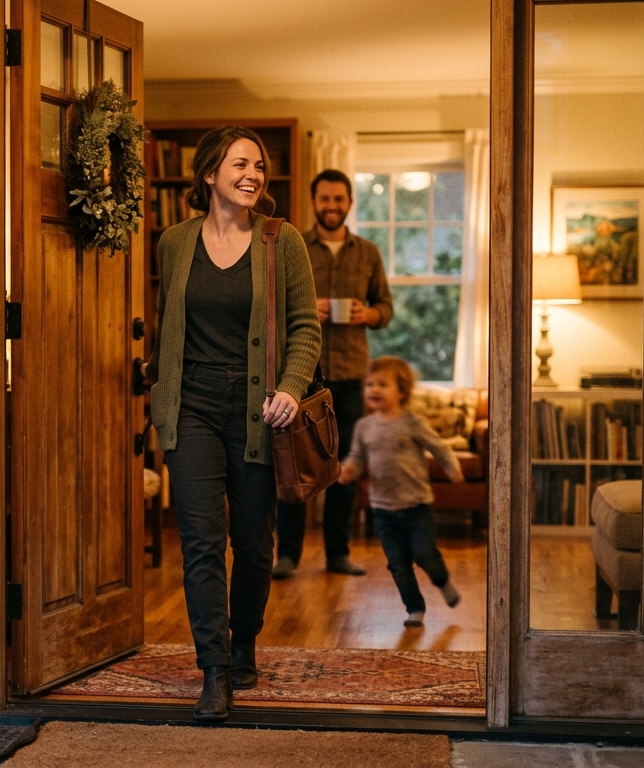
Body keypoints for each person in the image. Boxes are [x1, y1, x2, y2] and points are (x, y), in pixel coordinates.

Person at [145, 126, 321, 721]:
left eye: (260, 167)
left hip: (256, 411)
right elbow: (170, 324)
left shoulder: (281, 241)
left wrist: (291, 391)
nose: (253, 175)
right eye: (241, 164)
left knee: (251, 542)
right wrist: (159, 391)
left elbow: (304, 327)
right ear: (209, 173)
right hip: (190, 406)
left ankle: (244, 640)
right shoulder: (172, 241)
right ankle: (214, 669)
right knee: (198, 542)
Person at [272, 169, 393, 580]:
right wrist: (309, 308)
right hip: (300, 375)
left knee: (343, 465)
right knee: (292, 463)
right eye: (324, 199)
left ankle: (337, 554)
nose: (332, 206)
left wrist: (368, 313)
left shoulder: (369, 253)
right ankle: (286, 554)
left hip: (351, 374)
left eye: (339, 199)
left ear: (349, 202)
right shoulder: (292, 246)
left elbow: (386, 309)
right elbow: (272, 303)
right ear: (313, 202)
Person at [338, 356, 464, 627]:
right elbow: (357, 458)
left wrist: (452, 468)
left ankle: (442, 580)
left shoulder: (411, 422)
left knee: (424, 554)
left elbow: (438, 446)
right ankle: (414, 608)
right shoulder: (363, 427)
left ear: (402, 392)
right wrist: (348, 470)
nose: (373, 389)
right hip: (383, 509)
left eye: (383, 384)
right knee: (397, 564)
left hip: (417, 506)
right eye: (369, 384)